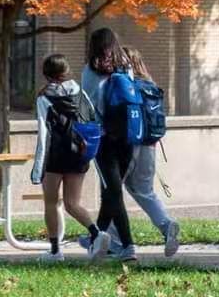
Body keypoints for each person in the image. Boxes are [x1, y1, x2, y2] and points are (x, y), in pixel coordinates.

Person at [30, 53, 111, 262]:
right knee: (72, 203)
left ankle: (56, 251)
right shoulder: (80, 92)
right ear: (66, 71)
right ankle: (97, 234)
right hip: (79, 154)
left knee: (50, 203)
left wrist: (37, 167)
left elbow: (43, 132)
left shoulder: (44, 98)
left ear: (46, 74)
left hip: (55, 156)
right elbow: (93, 119)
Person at [81, 27, 137, 261]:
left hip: (103, 139)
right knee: (111, 191)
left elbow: (86, 105)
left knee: (113, 191)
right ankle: (97, 238)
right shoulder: (126, 66)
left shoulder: (90, 70)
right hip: (127, 136)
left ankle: (127, 245)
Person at [120, 47, 181, 256]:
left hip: (127, 145)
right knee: (145, 191)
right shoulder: (150, 85)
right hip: (150, 145)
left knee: (111, 192)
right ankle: (166, 225)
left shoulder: (124, 86)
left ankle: (111, 240)